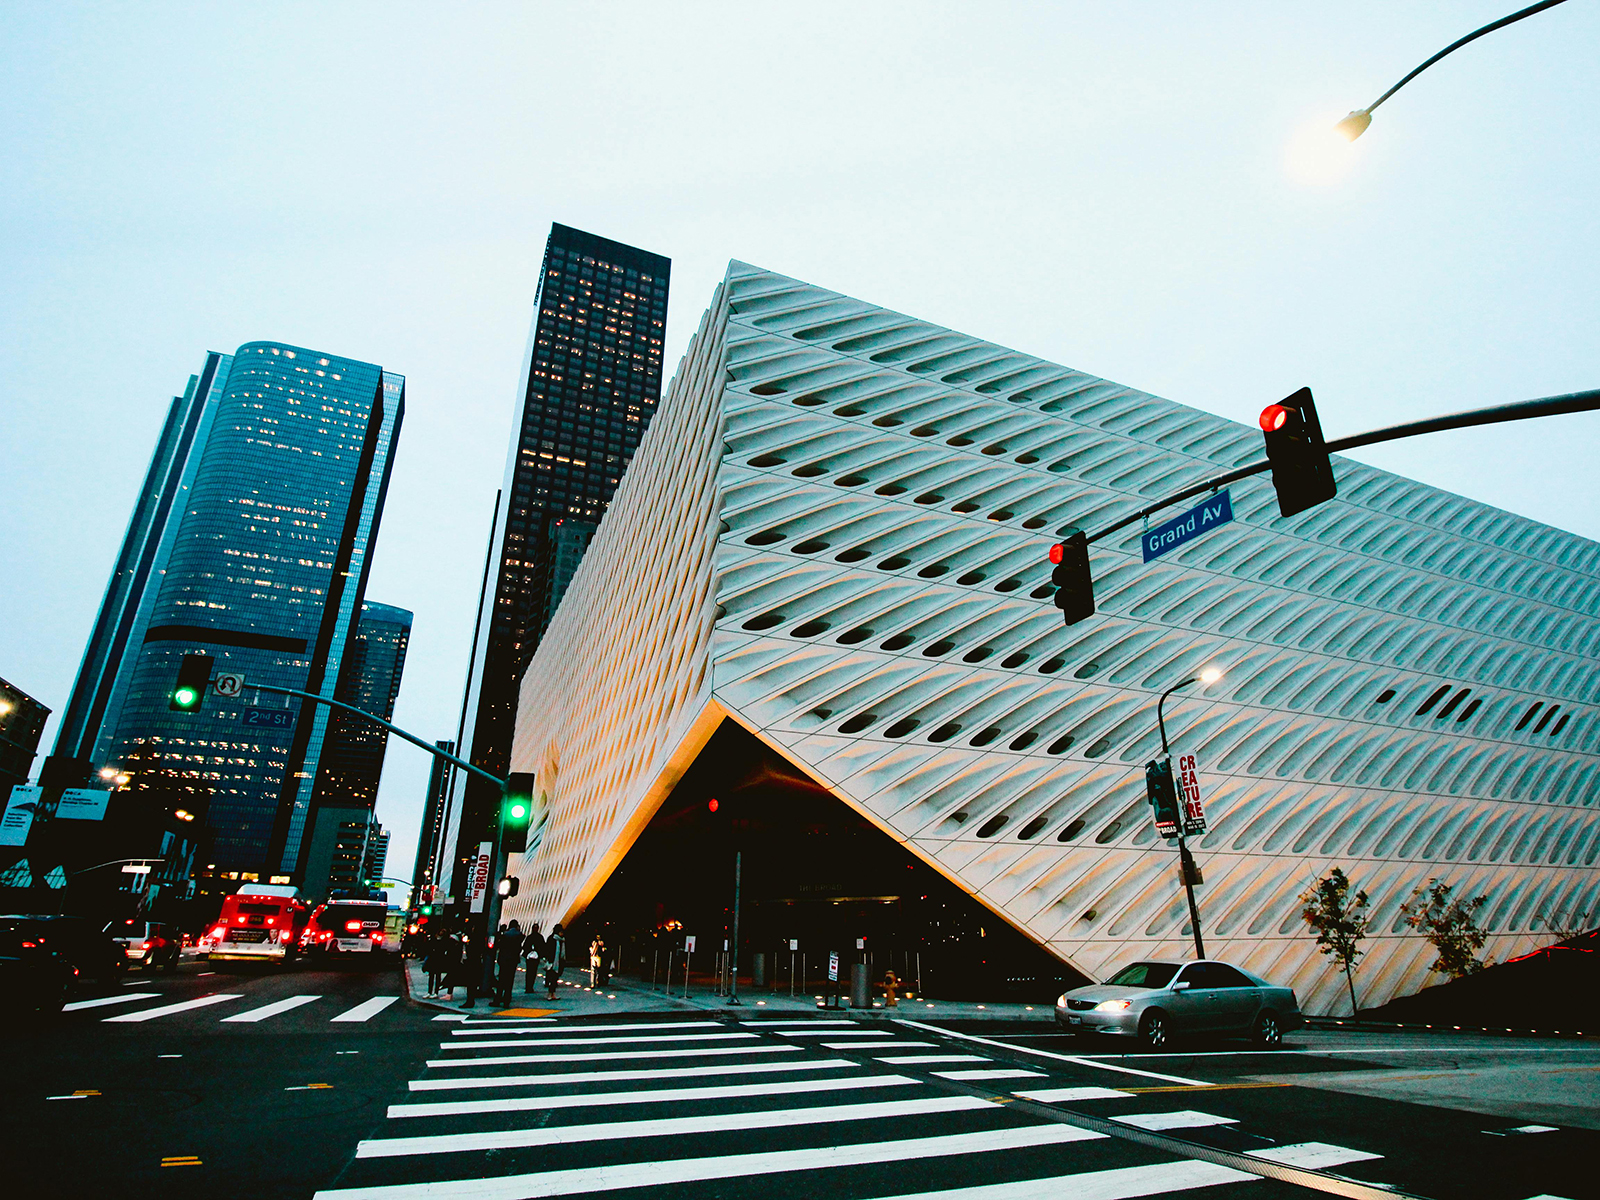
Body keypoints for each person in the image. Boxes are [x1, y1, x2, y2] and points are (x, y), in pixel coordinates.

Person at [494, 920, 524, 1007]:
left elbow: (500, 946)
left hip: (504, 959)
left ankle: (498, 998)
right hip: (513, 960)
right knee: (509, 981)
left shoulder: (505, 935)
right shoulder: (519, 935)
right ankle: (507, 1000)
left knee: (501, 980)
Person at [425, 929, 458, 998]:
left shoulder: (444, 941)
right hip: (434, 959)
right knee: (432, 976)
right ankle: (430, 992)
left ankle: (435, 992)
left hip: (438, 959)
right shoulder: (435, 940)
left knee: (436, 976)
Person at [523, 922, 546, 995]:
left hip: (529, 957)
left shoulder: (529, 937)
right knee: (533, 972)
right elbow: (543, 947)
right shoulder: (540, 937)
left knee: (529, 972)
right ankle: (530, 986)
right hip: (536, 957)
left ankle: (528, 987)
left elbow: (525, 946)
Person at [544, 923, 566, 1000]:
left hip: (558, 962)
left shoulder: (561, 940)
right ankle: (550, 994)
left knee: (555, 979)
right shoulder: (552, 939)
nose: (562, 933)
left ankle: (553, 993)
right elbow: (548, 950)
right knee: (552, 978)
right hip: (553, 962)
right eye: (561, 932)